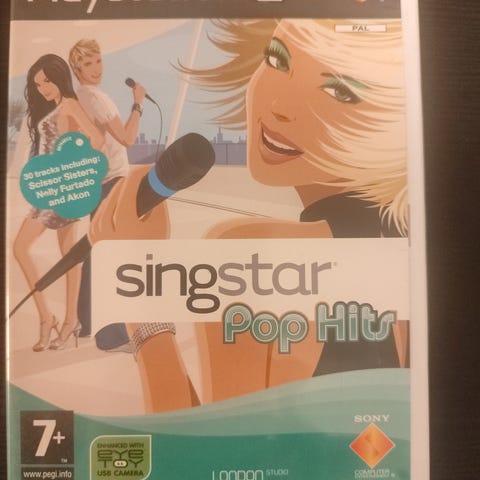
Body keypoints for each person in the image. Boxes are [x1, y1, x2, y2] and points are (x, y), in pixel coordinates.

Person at [89, 18, 409, 410]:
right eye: (278, 59)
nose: (278, 107)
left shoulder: (247, 251)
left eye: (339, 90)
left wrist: (137, 295)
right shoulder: (402, 239)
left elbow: (204, 449)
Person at [13, 54, 104, 352]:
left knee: (29, 249)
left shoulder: (70, 106)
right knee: (67, 255)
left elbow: (97, 140)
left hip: (61, 188)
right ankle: (62, 320)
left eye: (47, 82)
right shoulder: (54, 107)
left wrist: (69, 161)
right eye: (38, 85)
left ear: (59, 78)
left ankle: (55, 319)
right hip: (51, 187)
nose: (42, 89)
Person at [68, 39, 147, 350]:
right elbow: (127, 138)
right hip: (112, 182)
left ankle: (86, 322)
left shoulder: (78, 97)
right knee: (111, 258)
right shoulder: (97, 99)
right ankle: (112, 335)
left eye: (98, 60)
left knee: (95, 253)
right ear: (76, 69)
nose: (95, 68)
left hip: (97, 183)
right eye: (87, 64)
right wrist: (137, 103)